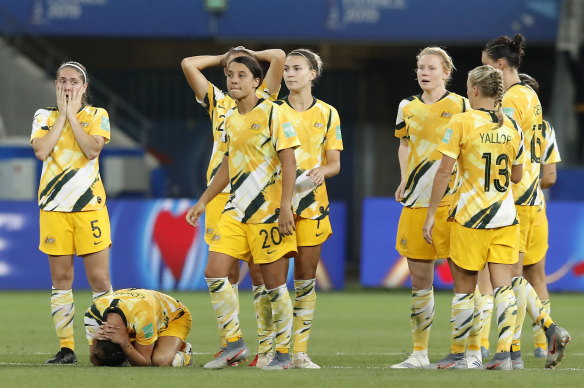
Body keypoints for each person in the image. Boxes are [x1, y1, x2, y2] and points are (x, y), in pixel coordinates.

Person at [186, 55, 300, 370]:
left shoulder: (273, 113)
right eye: (230, 75)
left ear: (256, 82)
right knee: (214, 271)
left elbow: (289, 162)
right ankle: (234, 343)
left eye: (241, 75)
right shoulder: (230, 119)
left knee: (274, 285)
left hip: (267, 211)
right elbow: (227, 164)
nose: (233, 80)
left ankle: (283, 353)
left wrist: (286, 205)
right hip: (235, 209)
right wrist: (204, 200)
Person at [423, 64, 524, 370]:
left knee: (464, 289)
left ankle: (459, 355)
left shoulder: (462, 121)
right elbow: (517, 175)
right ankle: (504, 355)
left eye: (468, 86)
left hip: (471, 218)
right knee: (503, 288)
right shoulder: (512, 126)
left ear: (476, 91)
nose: (466, 91)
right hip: (506, 216)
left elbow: (443, 173)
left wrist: (430, 215)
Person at [482, 34, 571, 369]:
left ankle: (515, 349)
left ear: (499, 65)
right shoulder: (531, 96)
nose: (483, 72)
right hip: (534, 198)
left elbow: (504, 145)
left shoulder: (510, 102)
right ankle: (531, 341)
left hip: (514, 200)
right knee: (525, 275)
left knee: (508, 277)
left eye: (485, 65)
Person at [391, 47, 470, 369]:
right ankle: (419, 353)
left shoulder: (461, 106)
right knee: (420, 282)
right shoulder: (406, 106)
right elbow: (404, 144)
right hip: (414, 201)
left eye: (432, 68)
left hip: (452, 201)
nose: (424, 72)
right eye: (421, 67)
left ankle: (462, 351)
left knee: (463, 279)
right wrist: (403, 180)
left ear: (446, 72)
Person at [30, 61, 113, 365]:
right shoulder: (44, 116)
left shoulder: (97, 115)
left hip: (89, 208)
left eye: (74, 81)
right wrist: (63, 116)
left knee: (99, 279)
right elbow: (42, 150)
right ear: (55, 85)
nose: (68, 86)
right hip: (54, 209)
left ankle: (101, 345)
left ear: (84, 87)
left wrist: (73, 118)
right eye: (62, 81)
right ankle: (67, 348)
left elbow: (91, 149)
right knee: (61, 279)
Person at [275, 48, 343, 368]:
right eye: (286, 68)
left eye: (297, 68)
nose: (290, 73)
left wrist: (322, 171)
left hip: (313, 205)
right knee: (272, 281)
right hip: (276, 204)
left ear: (312, 74)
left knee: (305, 279)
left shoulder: (328, 113)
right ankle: (275, 350)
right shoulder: (273, 111)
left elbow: (334, 164)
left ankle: (299, 352)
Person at [85, 288, 193, 367]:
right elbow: (96, 358)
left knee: (161, 361)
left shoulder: (143, 316)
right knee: (112, 355)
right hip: (144, 316)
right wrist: (94, 340)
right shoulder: (92, 318)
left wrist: (125, 344)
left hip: (173, 317)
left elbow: (145, 361)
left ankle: (185, 353)